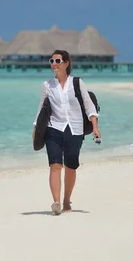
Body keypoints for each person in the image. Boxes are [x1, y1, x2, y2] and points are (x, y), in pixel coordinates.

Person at [32, 49, 100, 215]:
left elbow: (89, 105)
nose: (54, 64)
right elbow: (41, 109)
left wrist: (95, 128)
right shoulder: (47, 85)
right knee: (55, 165)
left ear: (66, 63)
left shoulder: (77, 83)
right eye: (52, 61)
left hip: (75, 129)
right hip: (53, 128)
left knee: (70, 167)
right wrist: (36, 128)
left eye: (57, 61)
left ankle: (66, 201)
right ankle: (56, 202)